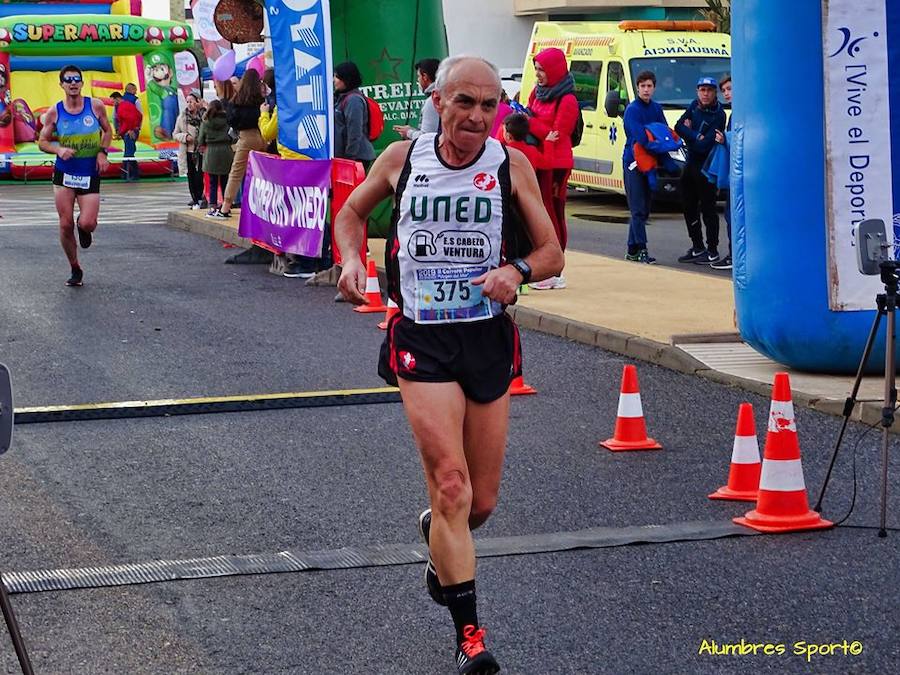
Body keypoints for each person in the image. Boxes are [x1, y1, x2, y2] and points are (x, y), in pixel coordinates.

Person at [335, 55, 564, 675]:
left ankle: (441, 543)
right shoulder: (402, 159)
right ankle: (471, 638)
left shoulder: (509, 164)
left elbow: (551, 253)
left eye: (490, 106)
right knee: (452, 485)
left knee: (479, 504)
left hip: (486, 339)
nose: (478, 117)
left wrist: (515, 272)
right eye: (465, 102)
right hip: (423, 340)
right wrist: (352, 259)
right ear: (438, 100)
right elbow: (351, 213)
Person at [37, 65, 112, 287]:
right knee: (64, 224)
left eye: (76, 79)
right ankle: (75, 267)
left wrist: (102, 152)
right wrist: (58, 150)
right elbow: (42, 141)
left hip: (90, 171)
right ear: (61, 85)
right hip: (65, 173)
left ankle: (83, 228)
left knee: (88, 223)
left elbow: (108, 131)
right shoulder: (55, 111)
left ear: (82, 82)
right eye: (68, 80)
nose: (73, 83)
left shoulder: (95, 106)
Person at [524, 47, 578, 290]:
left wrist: (529, 122)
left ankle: (555, 268)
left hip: (556, 164)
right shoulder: (537, 92)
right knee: (537, 213)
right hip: (538, 159)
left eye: (542, 69)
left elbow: (557, 134)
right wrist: (533, 124)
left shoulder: (567, 100)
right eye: (536, 69)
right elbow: (540, 127)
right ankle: (543, 263)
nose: (538, 74)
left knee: (553, 212)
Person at [675, 76, 727, 265]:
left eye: (709, 90)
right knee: (688, 207)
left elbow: (705, 146)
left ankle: (712, 250)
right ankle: (697, 246)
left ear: (715, 93)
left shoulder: (719, 114)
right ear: (697, 91)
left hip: (707, 168)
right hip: (690, 164)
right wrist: (695, 135)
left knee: (709, 210)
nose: (705, 94)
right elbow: (678, 126)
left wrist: (693, 137)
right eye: (702, 90)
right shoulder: (693, 106)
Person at [622, 70, 667, 264]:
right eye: (643, 86)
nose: (646, 90)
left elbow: (663, 131)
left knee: (645, 208)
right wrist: (656, 142)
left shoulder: (656, 108)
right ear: (637, 88)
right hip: (634, 162)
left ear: (654, 88)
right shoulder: (632, 110)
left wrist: (666, 150)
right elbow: (640, 137)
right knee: (638, 208)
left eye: (649, 86)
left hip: (651, 161)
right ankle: (641, 248)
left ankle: (631, 249)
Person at [210, 69, 267, 219]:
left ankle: (225, 208)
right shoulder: (262, 100)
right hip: (263, 136)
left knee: (236, 173)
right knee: (263, 173)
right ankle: (263, 207)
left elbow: (231, 120)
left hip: (246, 137)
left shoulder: (239, 100)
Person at [710, 74, 733, 271]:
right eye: (724, 90)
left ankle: (735, 255)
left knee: (733, 215)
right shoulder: (734, 113)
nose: (726, 94)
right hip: (735, 174)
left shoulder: (740, 114)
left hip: (739, 176)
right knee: (729, 214)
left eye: (730, 89)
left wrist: (725, 139)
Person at [333, 61, 376, 167]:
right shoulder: (339, 98)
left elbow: (354, 132)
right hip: (346, 158)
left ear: (346, 79)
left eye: (337, 77)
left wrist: (349, 159)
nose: (334, 80)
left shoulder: (354, 100)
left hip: (355, 158)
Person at [198, 99, 233, 214]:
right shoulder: (227, 120)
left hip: (211, 152)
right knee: (225, 180)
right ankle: (226, 205)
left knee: (213, 181)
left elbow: (200, 139)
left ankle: (212, 206)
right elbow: (234, 136)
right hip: (226, 151)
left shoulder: (206, 121)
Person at [393, 57, 441, 140]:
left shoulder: (432, 101)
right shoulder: (446, 95)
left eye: (418, 76)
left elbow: (428, 137)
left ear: (425, 77)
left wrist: (408, 133)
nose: (418, 80)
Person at [174, 91, 206, 209]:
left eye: (191, 101)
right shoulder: (182, 117)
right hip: (188, 152)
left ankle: (202, 197)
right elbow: (175, 134)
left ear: (198, 102)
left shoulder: (204, 116)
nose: (189, 104)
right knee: (191, 176)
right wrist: (185, 137)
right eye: (187, 102)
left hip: (202, 151)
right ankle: (195, 198)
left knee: (201, 176)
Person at [110, 91, 142, 181]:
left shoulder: (122, 107)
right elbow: (139, 115)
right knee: (129, 153)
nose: (113, 103)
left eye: (113, 101)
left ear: (117, 98)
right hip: (131, 131)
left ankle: (133, 174)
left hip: (129, 133)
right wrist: (137, 127)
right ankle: (128, 174)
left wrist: (130, 129)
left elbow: (129, 119)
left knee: (128, 154)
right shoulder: (128, 105)